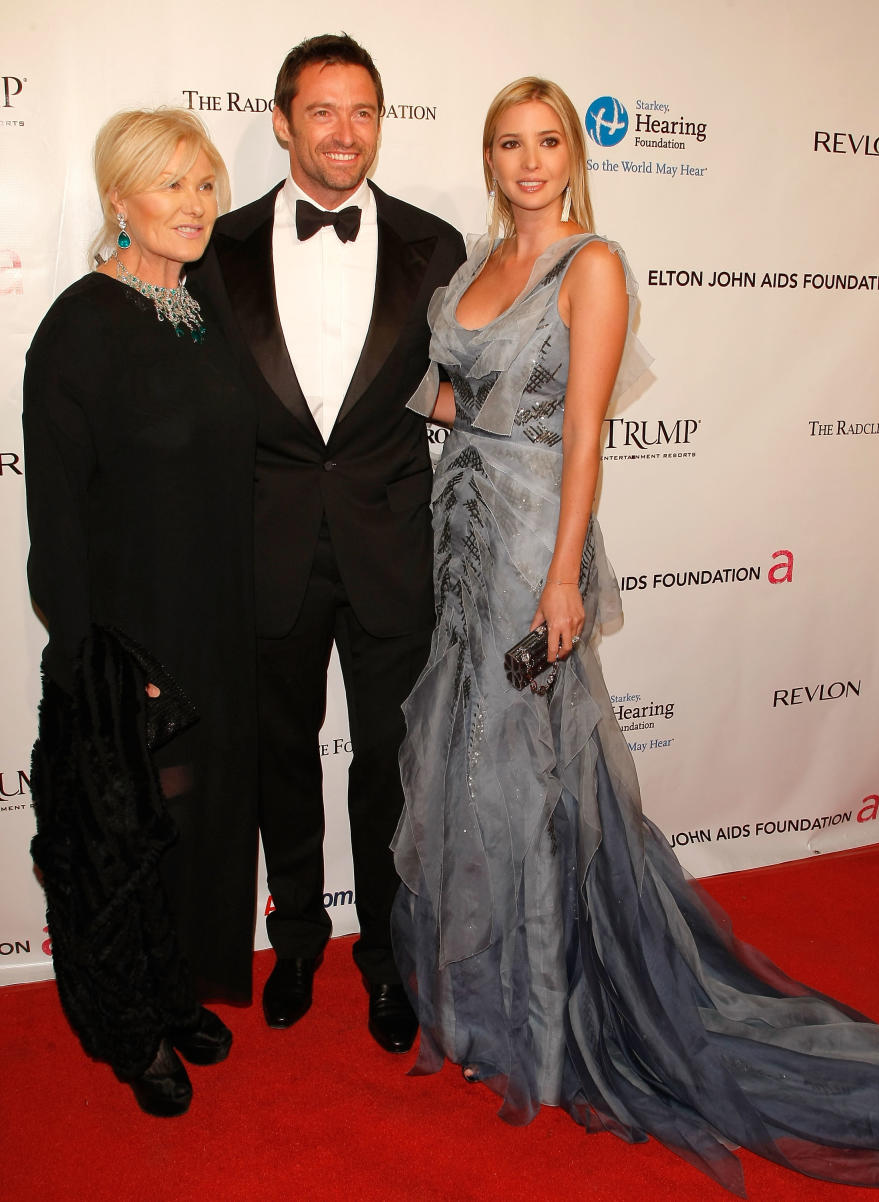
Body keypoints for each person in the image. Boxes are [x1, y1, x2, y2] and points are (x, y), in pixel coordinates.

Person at [390, 77, 879, 1193]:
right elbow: (452, 397)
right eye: (510, 142)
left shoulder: (591, 266)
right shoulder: (471, 264)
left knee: (532, 784)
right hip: (457, 542)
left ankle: (547, 1025)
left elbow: (584, 437)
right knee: (469, 778)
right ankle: (485, 1003)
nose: (530, 160)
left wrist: (562, 581)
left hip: (527, 555)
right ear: (490, 156)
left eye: (548, 140)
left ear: (572, 154)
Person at [189, 34, 465, 1051]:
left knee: (390, 763)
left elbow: (464, 386)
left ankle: (387, 956)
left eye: (362, 113)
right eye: (322, 111)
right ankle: (296, 936)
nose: (344, 133)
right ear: (281, 119)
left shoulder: (438, 245)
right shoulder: (214, 248)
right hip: (264, 549)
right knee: (279, 759)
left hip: (393, 545)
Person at [22, 109, 259, 1116]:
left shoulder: (202, 307)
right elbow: (57, 518)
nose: (195, 205)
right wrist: (97, 657)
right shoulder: (80, 324)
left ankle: (174, 988)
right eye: (171, 186)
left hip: (214, 620)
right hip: (132, 636)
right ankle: (132, 1026)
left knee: (196, 825)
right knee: (129, 838)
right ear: (120, 199)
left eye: (206, 185)